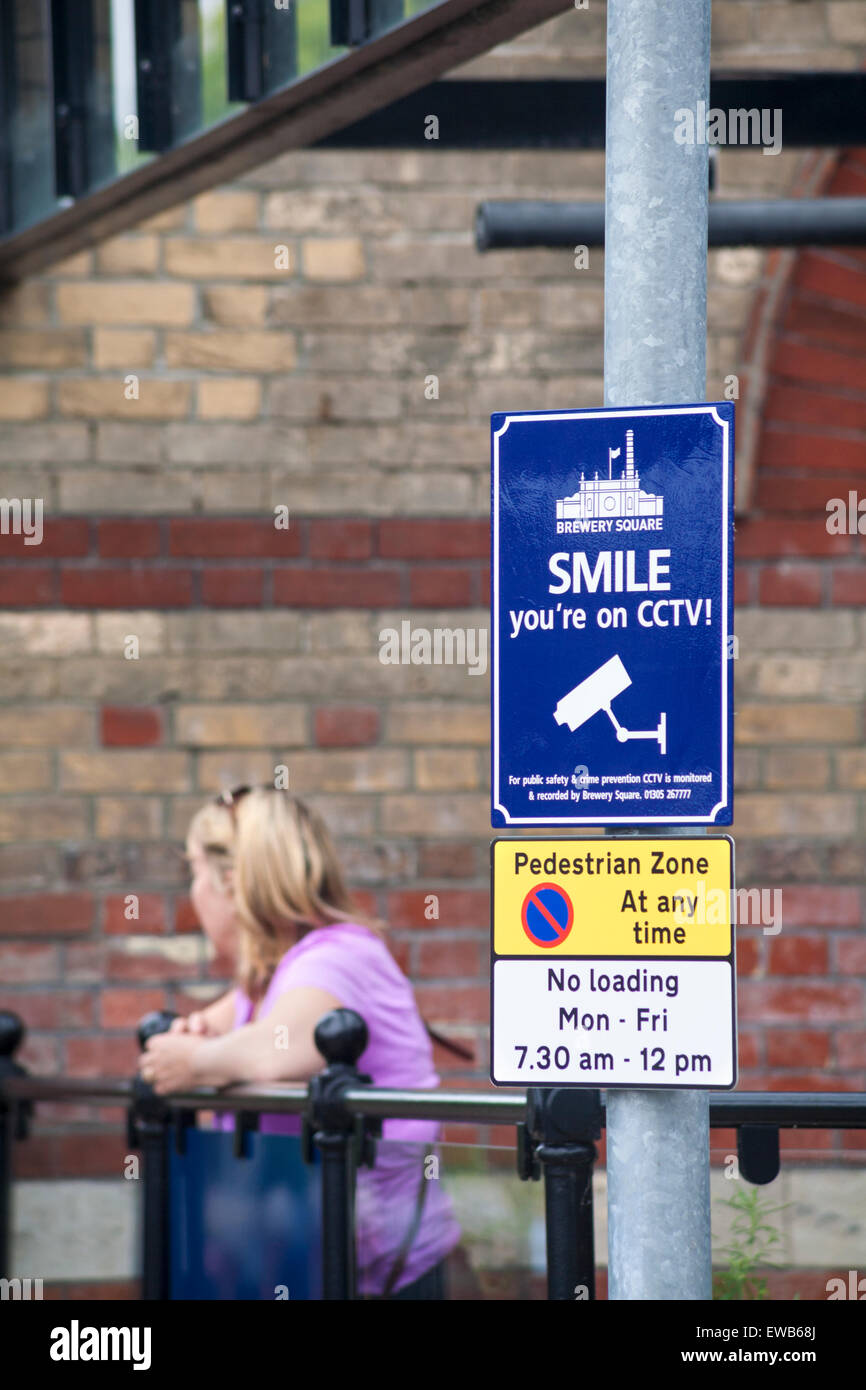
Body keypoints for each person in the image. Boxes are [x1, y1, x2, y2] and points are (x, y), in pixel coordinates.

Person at [138, 785, 462, 1299]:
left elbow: (281, 1048)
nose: (192, 892)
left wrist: (197, 1062)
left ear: (230, 883)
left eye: (194, 872)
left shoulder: (335, 957)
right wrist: (195, 1040)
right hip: (315, 1261)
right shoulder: (273, 976)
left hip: (385, 1273)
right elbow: (201, 1036)